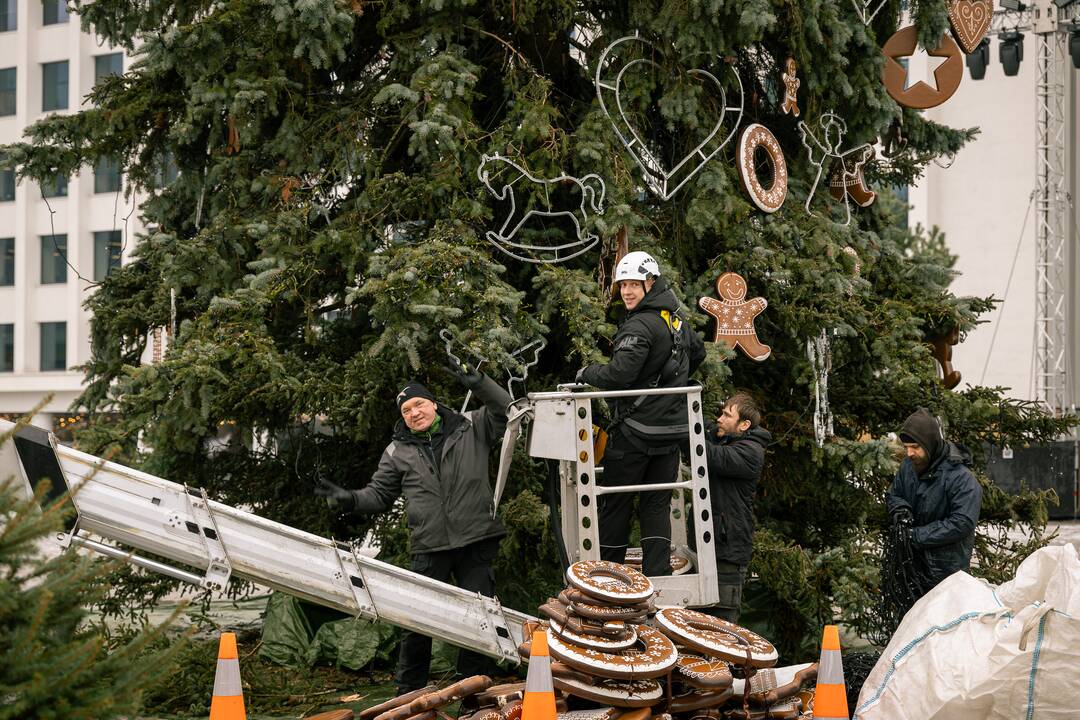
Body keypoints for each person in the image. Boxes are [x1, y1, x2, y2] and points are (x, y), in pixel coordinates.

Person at [315, 362, 509, 694]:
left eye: (418, 404)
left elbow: (507, 411)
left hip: (475, 540)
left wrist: (481, 383)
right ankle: (408, 695)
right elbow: (378, 495)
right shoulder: (397, 451)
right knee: (416, 622)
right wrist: (349, 499)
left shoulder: (472, 426)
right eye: (406, 410)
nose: (414, 413)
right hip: (429, 546)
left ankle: (473, 695)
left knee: (479, 622)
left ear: (433, 404)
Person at [576, 251, 706, 577]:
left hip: (634, 431)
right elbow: (699, 355)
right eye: (623, 286)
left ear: (651, 282)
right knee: (656, 505)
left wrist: (586, 372)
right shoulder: (676, 320)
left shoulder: (640, 325)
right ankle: (659, 576)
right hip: (672, 432)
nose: (627, 292)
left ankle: (608, 577)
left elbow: (618, 375)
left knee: (616, 505)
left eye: (634, 284)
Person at [885, 407, 982, 596]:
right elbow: (894, 495)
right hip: (912, 572)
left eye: (915, 447)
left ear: (930, 444)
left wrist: (916, 536)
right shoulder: (908, 467)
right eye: (906, 448)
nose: (909, 453)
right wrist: (901, 512)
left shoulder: (961, 478)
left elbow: (962, 522)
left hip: (947, 576)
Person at [700, 391, 770, 622]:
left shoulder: (750, 452)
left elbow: (710, 455)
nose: (720, 418)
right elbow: (709, 432)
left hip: (728, 552)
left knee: (722, 625)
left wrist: (688, 433)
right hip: (716, 546)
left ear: (744, 425)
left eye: (727, 415)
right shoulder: (730, 440)